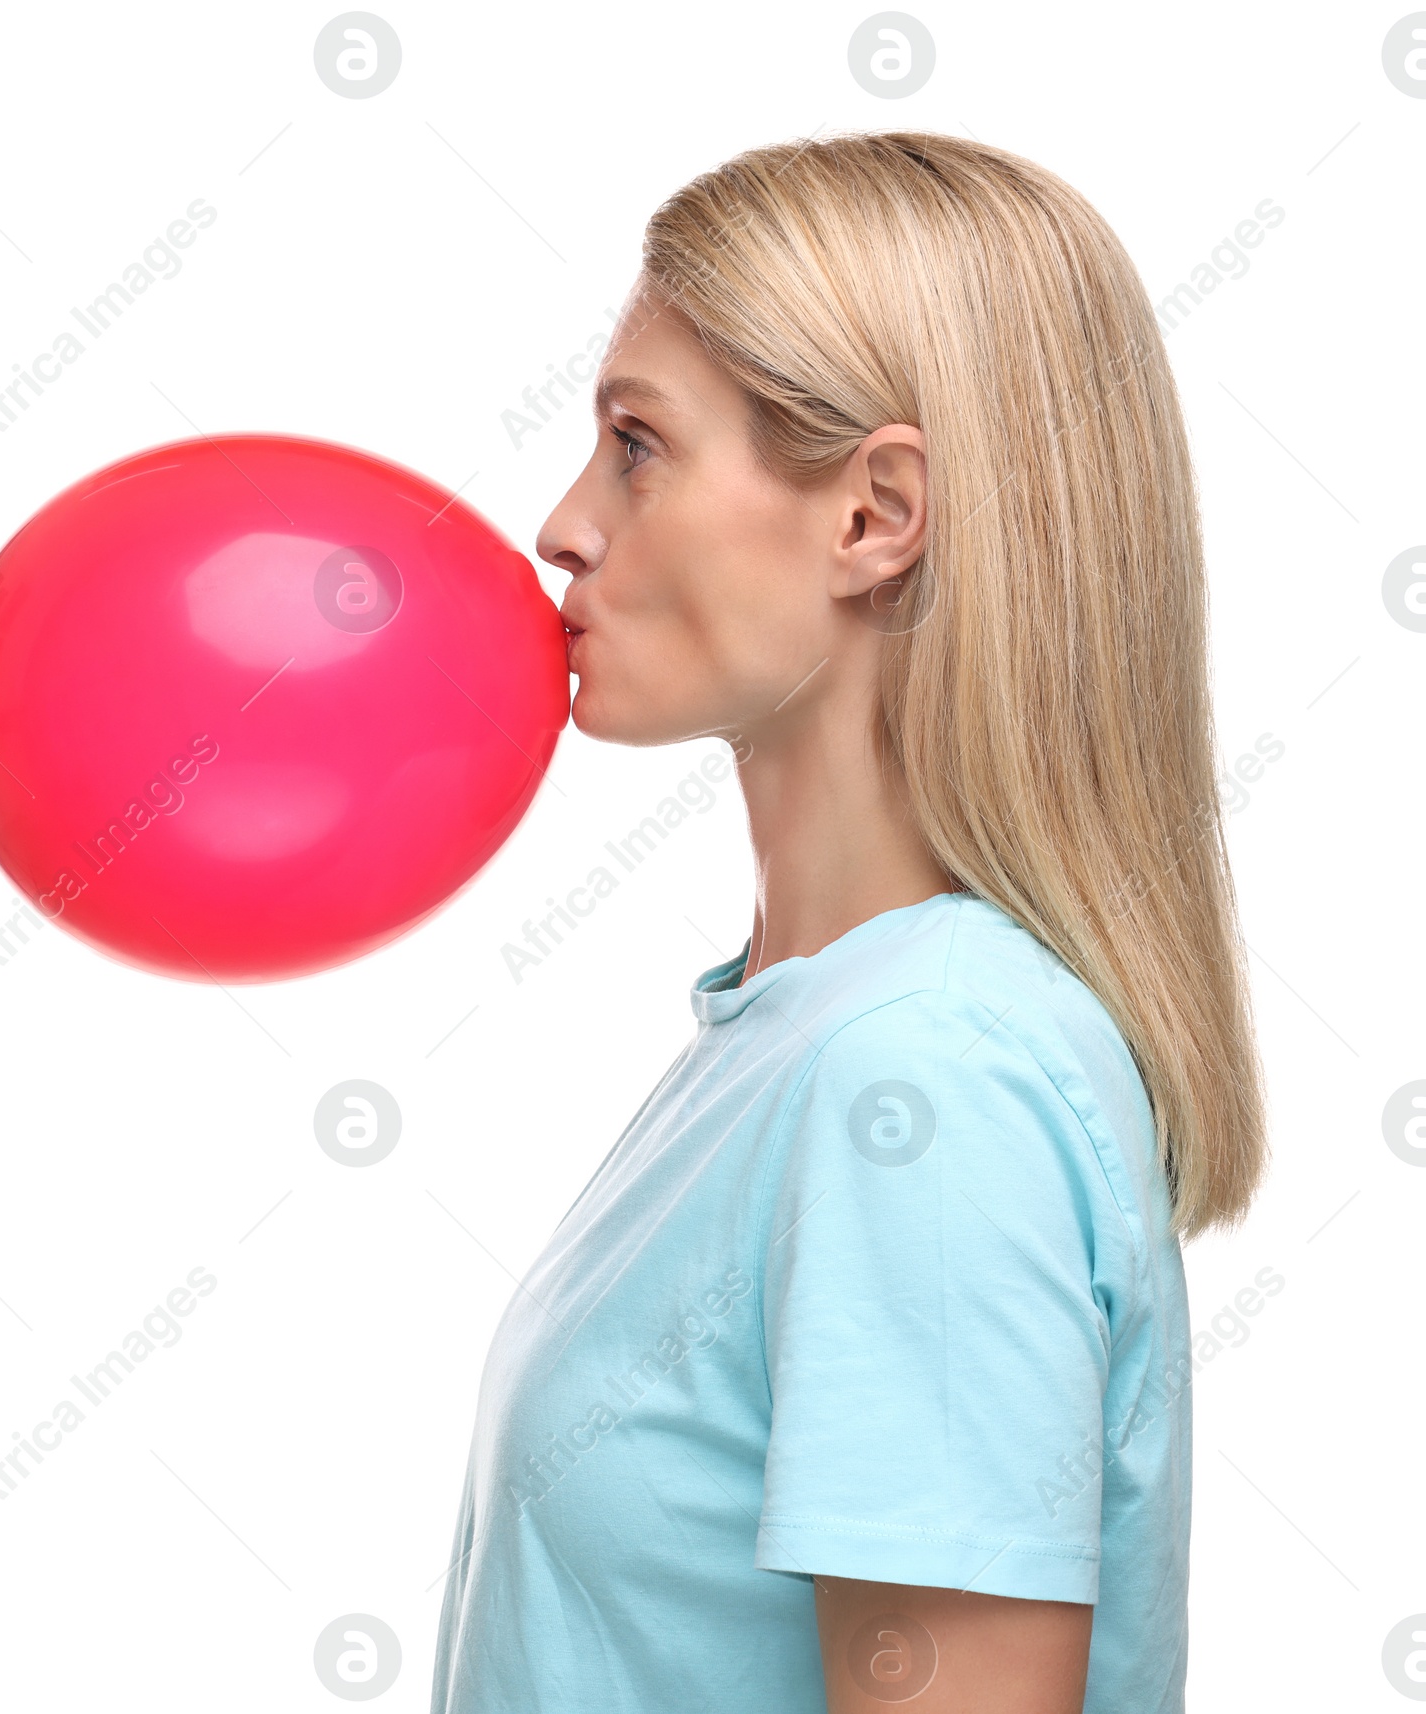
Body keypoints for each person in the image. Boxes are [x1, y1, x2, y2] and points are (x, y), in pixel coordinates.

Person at [429, 130, 1267, 1714]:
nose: (563, 524)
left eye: (637, 445)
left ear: (876, 516)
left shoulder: (923, 1080)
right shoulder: (804, 1030)